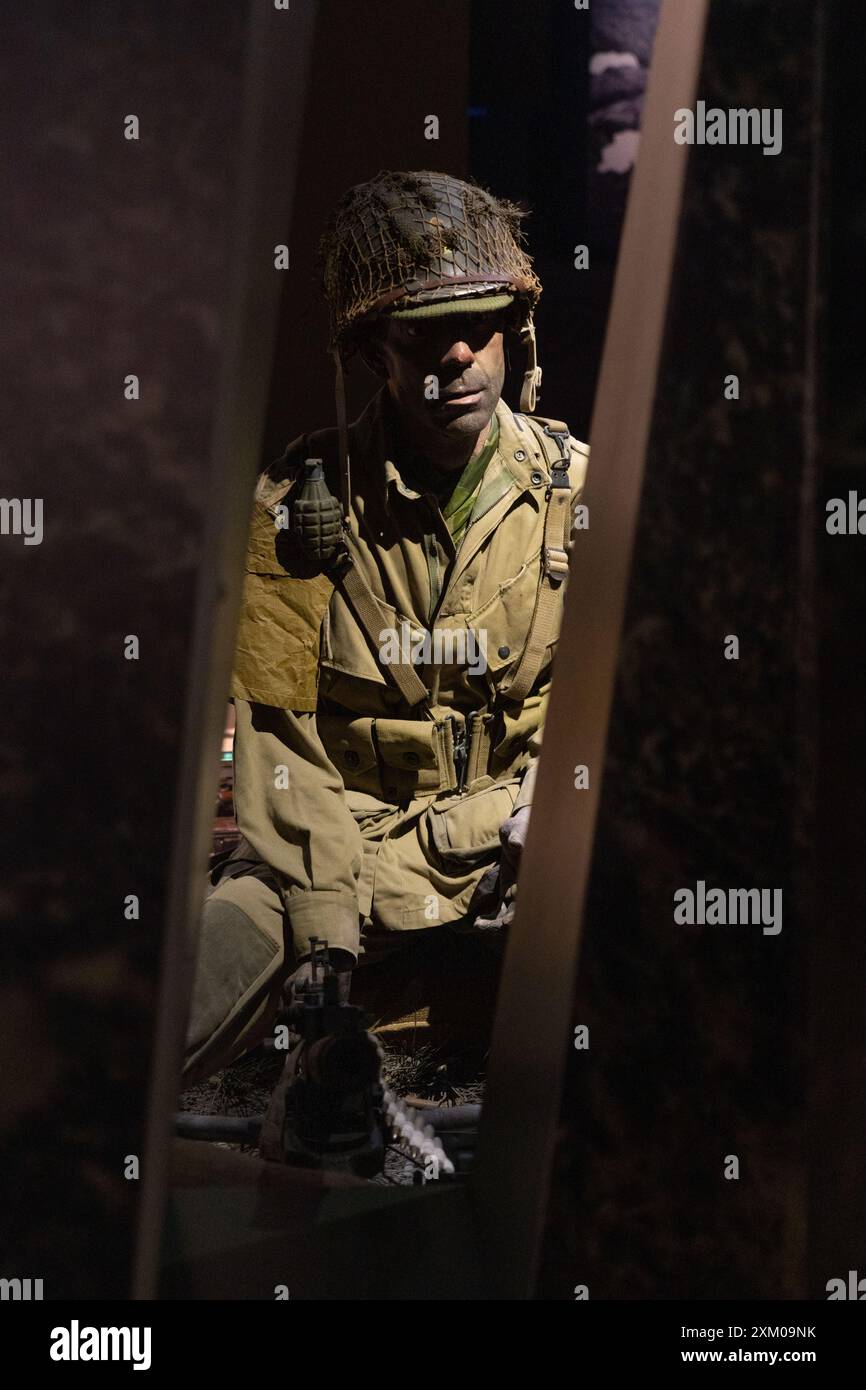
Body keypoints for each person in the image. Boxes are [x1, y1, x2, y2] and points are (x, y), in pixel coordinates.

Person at [182, 170, 589, 1086]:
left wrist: (563, 808)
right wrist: (326, 938)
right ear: (374, 350)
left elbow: (624, 698)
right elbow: (283, 746)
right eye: (422, 334)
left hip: (520, 845)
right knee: (174, 1005)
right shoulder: (297, 511)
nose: (456, 359)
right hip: (341, 853)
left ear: (513, 335)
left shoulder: (580, 496)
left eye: (477, 328)